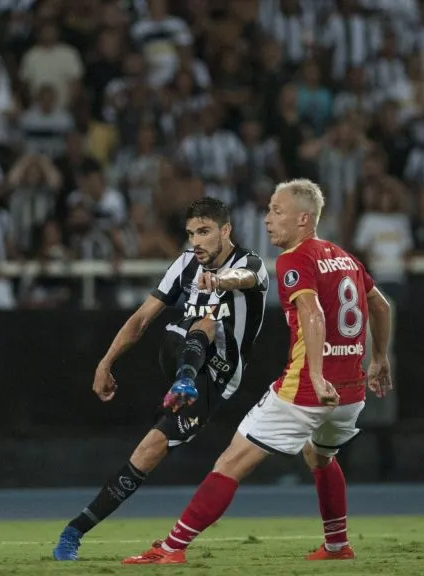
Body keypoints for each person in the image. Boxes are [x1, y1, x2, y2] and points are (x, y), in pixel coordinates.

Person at [120, 179, 394, 565]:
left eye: (276, 211)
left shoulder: (296, 259)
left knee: (230, 463)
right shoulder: (344, 257)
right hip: (350, 393)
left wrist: (315, 376)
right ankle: (337, 545)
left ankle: (171, 548)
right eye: (268, 210)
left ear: (303, 219)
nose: (267, 220)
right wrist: (379, 359)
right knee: (320, 457)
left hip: (306, 390)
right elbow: (380, 306)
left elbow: (312, 313)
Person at [52, 198, 269, 561]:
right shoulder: (184, 264)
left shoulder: (250, 264)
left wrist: (218, 280)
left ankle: (75, 529)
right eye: (190, 233)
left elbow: (244, 279)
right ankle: (183, 379)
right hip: (182, 355)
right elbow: (140, 319)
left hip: (218, 378)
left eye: (204, 232)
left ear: (225, 230)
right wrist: (105, 362)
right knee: (183, 324)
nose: (195, 241)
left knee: (147, 451)